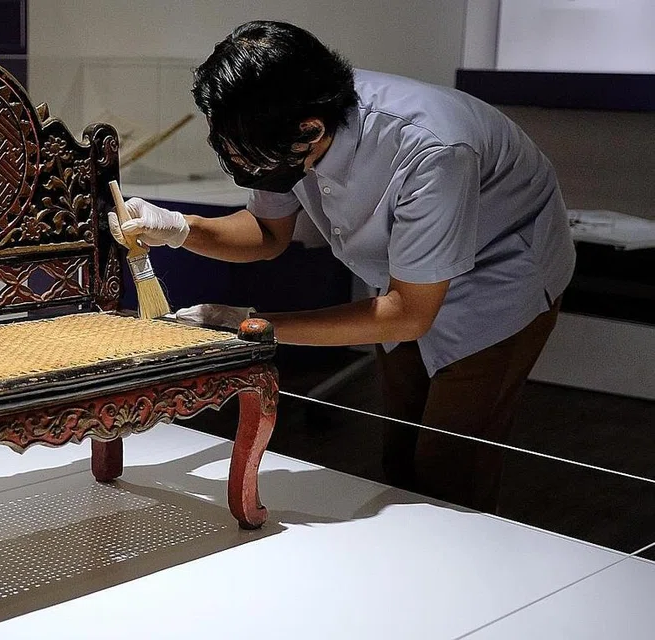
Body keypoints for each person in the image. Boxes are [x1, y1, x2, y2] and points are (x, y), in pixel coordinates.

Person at [108, 20, 575, 513]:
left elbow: (408, 314)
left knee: (450, 467)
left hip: (499, 277)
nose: (235, 158)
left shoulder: (431, 149)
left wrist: (251, 326)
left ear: (311, 130)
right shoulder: (280, 116)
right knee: (399, 453)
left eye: (244, 152)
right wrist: (180, 228)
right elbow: (267, 234)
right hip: (403, 282)